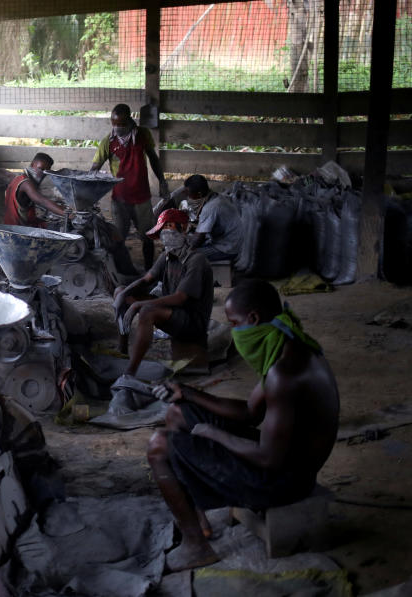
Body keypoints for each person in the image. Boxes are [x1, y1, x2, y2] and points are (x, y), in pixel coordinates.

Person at [147, 279, 338, 571]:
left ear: (253, 320)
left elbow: (269, 459)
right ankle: (197, 517)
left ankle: (196, 547)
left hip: (285, 481)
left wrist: (213, 433)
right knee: (178, 412)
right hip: (282, 457)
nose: (234, 332)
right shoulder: (287, 344)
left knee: (160, 445)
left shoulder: (284, 374)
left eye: (234, 324)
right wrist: (188, 393)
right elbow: (250, 412)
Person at [113, 208, 213, 377]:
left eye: (170, 227)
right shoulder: (167, 255)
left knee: (146, 311)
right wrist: (124, 294)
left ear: (184, 228)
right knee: (121, 291)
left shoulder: (196, 260)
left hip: (191, 320)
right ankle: (122, 350)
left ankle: (130, 372)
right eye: (163, 229)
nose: (166, 233)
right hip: (173, 312)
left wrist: (139, 304)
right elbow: (146, 279)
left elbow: (180, 298)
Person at [89, 103, 171, 270]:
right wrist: (88, 190)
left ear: (130, 120)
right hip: (120, 198)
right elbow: (94, 168)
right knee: (118, 237)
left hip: (141, 196)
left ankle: (149, 270)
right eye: (114, 124)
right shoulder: (108, 142)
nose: (117, 128)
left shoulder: (142, 135)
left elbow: (154, 159)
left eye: (121, 124)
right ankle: (121, 271)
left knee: (147, 236)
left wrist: (162, 181)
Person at [180, 175, 242, 263]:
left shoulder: (210, 207)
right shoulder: (217, 197)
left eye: (189, 194)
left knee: (185, 255)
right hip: (232, 243)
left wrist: (180, 244)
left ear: (199, 194)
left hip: (227, 249)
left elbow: (197, 241)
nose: (188, 197)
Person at [4, 152, 68, 227]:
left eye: (46, 171)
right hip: (18, 228)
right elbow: (42, 201)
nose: (42, 173)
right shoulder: (25, 183)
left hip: (12, 225)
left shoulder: (18, 178)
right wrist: (66, 213)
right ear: (32, 165)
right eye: (40, 169)